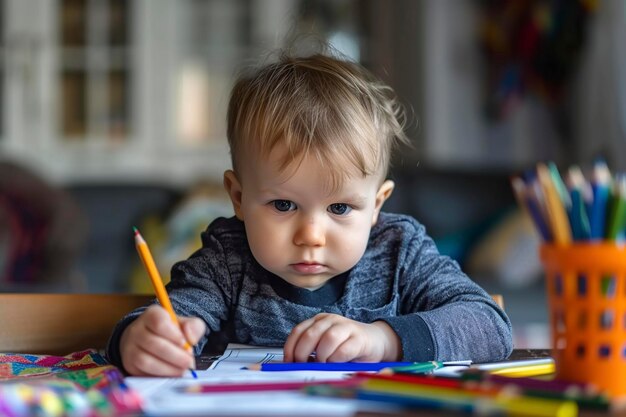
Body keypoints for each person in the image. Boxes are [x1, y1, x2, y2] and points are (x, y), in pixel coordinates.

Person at [106, 51, 513, 376]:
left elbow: (489, 325)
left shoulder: (399, 251)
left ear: (376, 205)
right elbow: (172, 318)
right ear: (238, 196)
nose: (311, 235)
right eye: (283, 205)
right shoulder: (227, 260)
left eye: (340, 207)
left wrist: (383, 340)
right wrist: (139, 340)